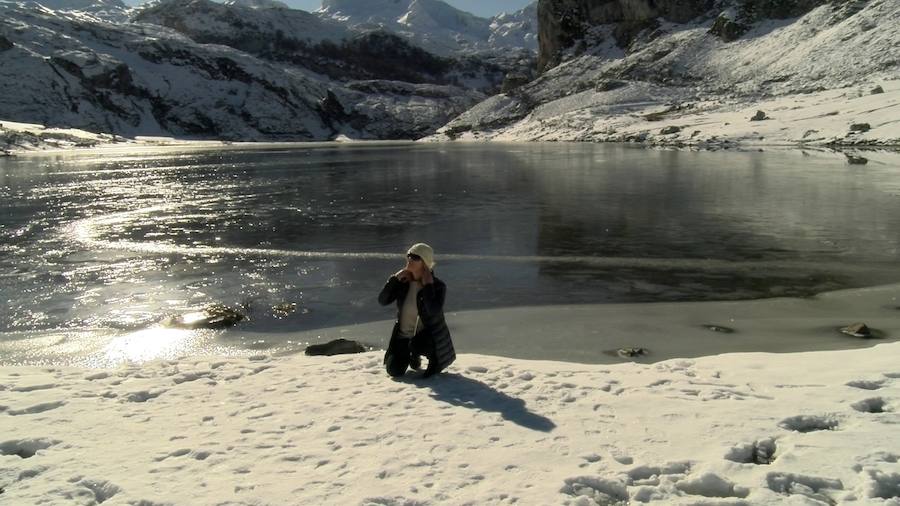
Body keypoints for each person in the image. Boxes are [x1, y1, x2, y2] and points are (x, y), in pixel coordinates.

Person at [378, 243, 456, 378]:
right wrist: (395, 279)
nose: (410, 259)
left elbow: (433, 310)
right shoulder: (403, 283)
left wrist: (427, 287)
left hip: (426, 337)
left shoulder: (437, 286)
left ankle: (425, 356)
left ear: (425, 263)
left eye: (415, 257)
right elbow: (383, 300)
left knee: (416, 345)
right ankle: (412, 356)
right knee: (394, 371)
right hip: (403, 336)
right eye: (408, 256)